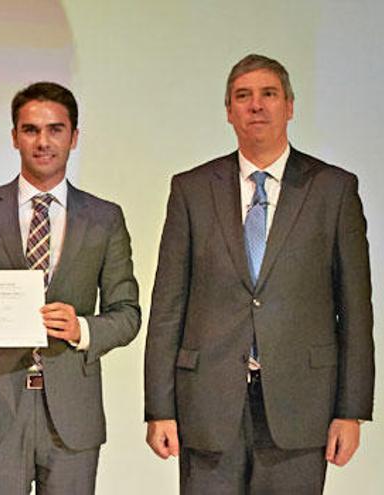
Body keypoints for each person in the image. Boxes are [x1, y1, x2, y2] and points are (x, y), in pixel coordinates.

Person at [144, 54, 374, 493]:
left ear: (290, 106)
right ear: (228, 111)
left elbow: (356, 310)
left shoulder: (334, 189)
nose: (256, 106)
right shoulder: (191, 189)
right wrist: (159, 408)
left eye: (269, 95)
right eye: (243, 97)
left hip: (302, 404)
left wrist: (351, 409)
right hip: (207, 403)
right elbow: (168, 306)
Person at [0, 82, 140, 494]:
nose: (43, 141)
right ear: (14, 137)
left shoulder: (105, 218)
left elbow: (127, 313)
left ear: (74, 138)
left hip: (72, 412)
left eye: (55, 130)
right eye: (31, 130)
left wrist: (83, 329)